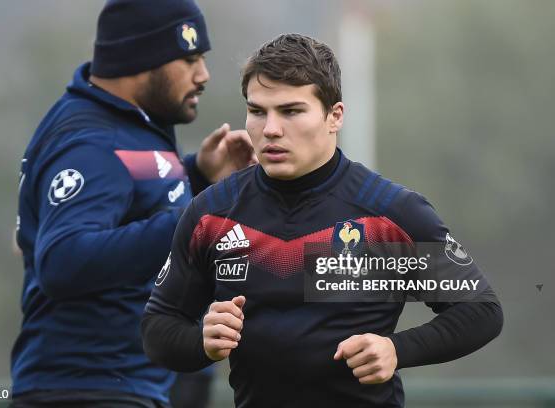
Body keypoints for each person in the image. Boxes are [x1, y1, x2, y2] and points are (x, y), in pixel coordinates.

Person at [142, 33, 504, 408]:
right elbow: (158, 328)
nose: (270, 129)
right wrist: (201, 341)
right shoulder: (212, 215)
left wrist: (397, 349)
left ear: (335, 116)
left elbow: (481, 310)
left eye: (291, 111)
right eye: (257, 111)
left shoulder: (391, 215)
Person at [10, 0, 255, 407]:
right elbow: (63, 260)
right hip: (86, 391)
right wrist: (201, 217)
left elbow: (131, 200)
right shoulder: (90, 141)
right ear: (144, 57)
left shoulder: (127, 123)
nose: (203, 75)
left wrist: (199, 175)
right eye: (190, 59)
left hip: (123, 387)